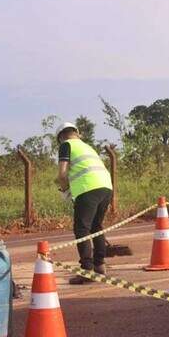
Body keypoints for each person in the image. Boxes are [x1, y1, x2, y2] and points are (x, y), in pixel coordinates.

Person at [55, 121, 113, 283]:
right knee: (97, 227)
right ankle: (100, 267)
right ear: (77, 132)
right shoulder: (87, 146)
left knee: (82, 229)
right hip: (106, 187)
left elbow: (62, 174)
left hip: (87, 188)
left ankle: (87, 270)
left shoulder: (66, 145)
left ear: (60, 137)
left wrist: (64, 189)